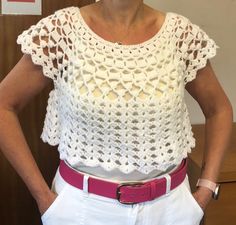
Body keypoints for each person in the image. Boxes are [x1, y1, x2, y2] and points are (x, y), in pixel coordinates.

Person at [0, 0, 233, 225]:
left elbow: (218, 109)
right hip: (82, 209)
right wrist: (42, 196)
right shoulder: (61, 31)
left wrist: (207, 188)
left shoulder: (182, 36)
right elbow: (4, 105)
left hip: (170, 209)